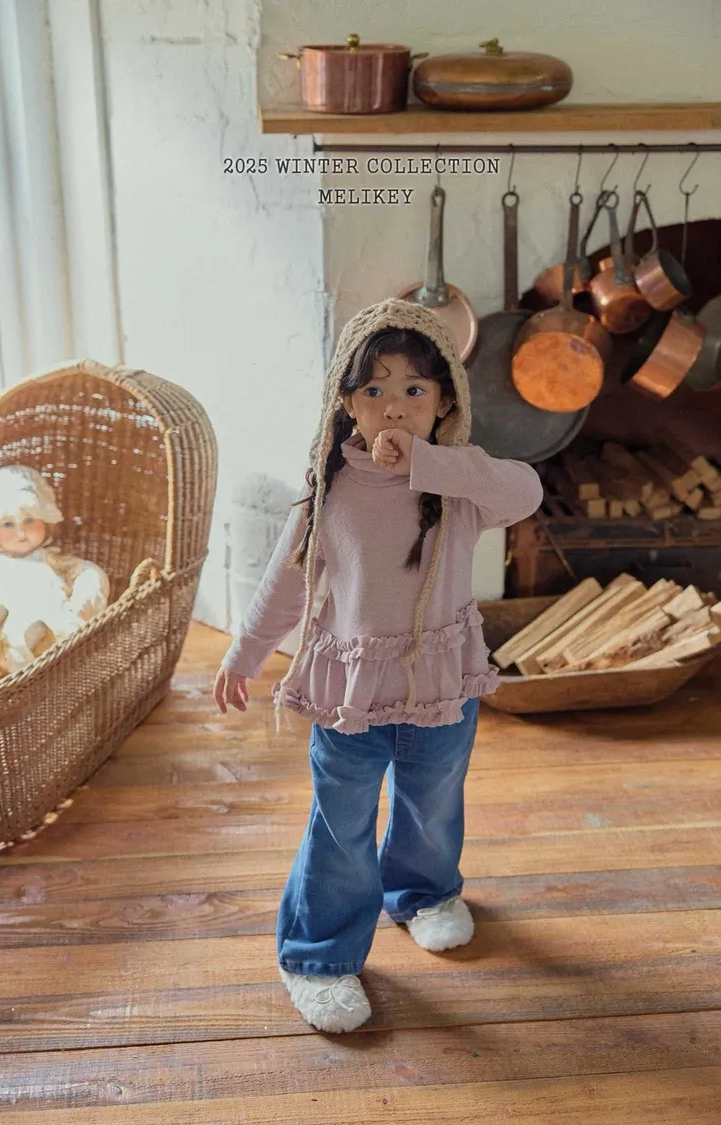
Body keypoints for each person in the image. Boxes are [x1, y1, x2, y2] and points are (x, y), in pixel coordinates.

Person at [214, 297, 543, 1034]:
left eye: (414, 389)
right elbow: (286, 584)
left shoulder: (461, 487)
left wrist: (432, 463)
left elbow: (526, 490)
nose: (394, 407)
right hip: (351, 695)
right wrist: (245, 653)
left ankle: (423, 893)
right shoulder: (329, 491)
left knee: (433, 804)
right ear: (346, 403)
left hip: (440, 689)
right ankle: (318, 955)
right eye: (375, 389)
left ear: (445, 401)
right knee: (341, 825)